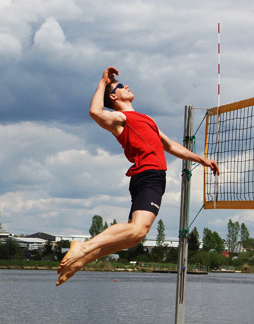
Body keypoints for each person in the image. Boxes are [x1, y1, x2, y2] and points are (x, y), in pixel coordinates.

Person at [56, 67, 219, 286]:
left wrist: (201, 160)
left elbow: (170, 145)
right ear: (113, 96)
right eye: (120, 86)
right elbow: (95, 112)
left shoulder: (146, 118)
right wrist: (103, 82)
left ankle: (81, 260)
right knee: (137, 229)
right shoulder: (120, 118)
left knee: (136, 234)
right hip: (148, 173)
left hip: (154, 177)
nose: (126, 85)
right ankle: (83, 247)